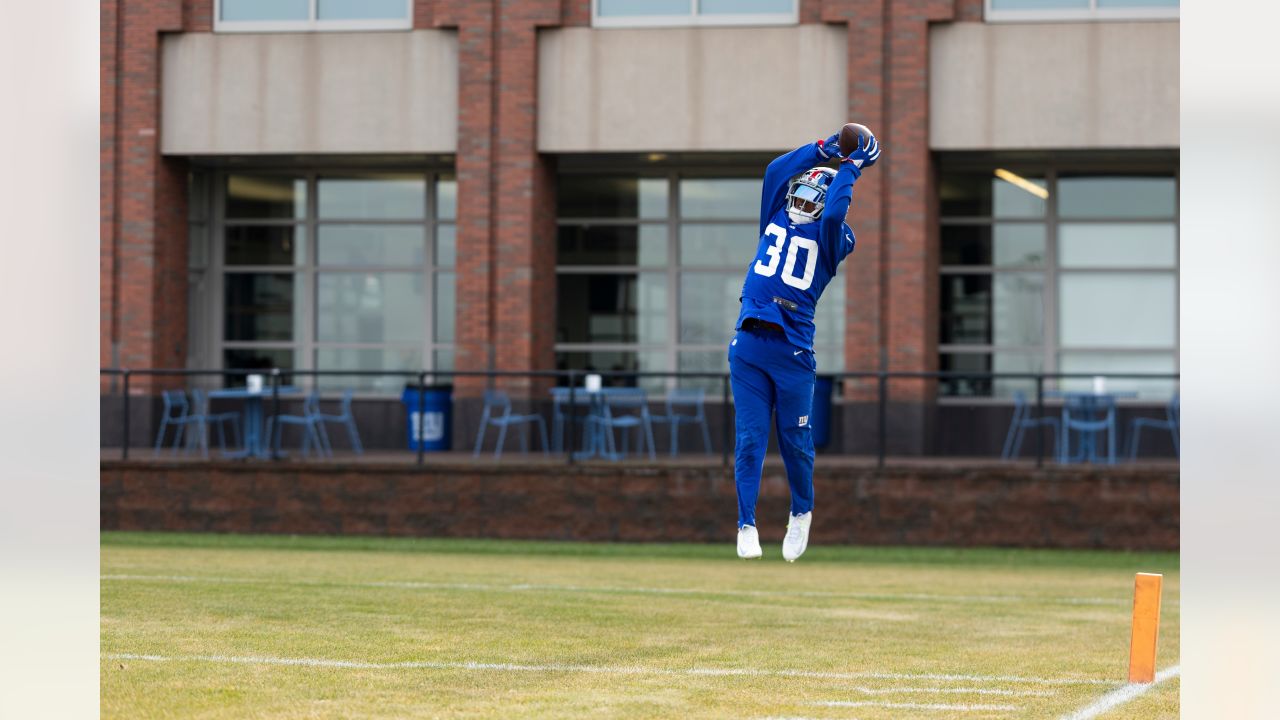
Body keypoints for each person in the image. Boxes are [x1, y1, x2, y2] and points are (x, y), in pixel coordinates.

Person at [728, 127, 880, 561]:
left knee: (796, 442)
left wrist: (850, 169)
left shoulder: (835, 237)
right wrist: (824, 148)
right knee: (750, 439)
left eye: (814, 194)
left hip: (793, 349)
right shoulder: (774, 216)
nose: (801, 200)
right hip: (750, 342)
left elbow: (833, 216)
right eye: (801, 191)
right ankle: (746, 521)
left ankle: (801, 512)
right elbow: (776, 171)